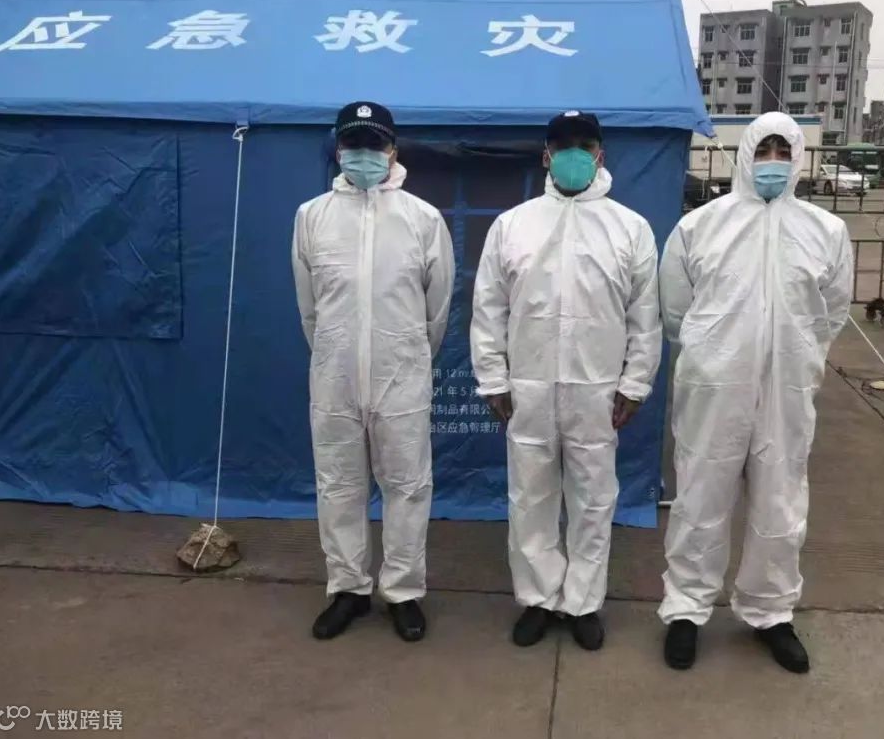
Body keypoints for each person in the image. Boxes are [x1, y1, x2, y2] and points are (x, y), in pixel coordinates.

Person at [657, 112, 853, 673]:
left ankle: (770, 611)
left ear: (797, 158)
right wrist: (713, 354)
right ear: (745, 154)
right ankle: (686, 609)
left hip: (787, 388)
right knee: (700, 499)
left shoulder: (825, 231)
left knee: (780, 503)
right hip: (714, 387)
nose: (772, 161)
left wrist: (799, 356)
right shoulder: (701, 226)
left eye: (782, 151)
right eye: (763, 149)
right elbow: (676, 310)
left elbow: (832, 311)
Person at [470, 111, 661, 651]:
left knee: (593, 500)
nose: (574, 154)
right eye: (562, 146)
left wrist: (635, 383)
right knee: (530, 499)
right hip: (528, 388)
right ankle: (538, 598)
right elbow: (488, 307)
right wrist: (493, 378)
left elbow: (645, 316)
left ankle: (582, 602)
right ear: (546, 156)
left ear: (600, 155)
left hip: (596, 390)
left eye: (585, 144)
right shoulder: (513, 225)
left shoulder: (630, 228)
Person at [292, 102, 454, 643]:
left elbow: (437, 310)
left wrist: (409, 355)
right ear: (338, 150)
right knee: (339, 484)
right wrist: (333, 353)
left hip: (401, 376)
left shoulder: (422, 219)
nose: (364, 154)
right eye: (353, 144)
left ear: (393, 151)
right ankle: (348, 588)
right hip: (334, 375)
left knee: (407, 485)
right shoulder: (312, 217)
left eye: (374, 144)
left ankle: (403, 591)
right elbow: (309, 309)